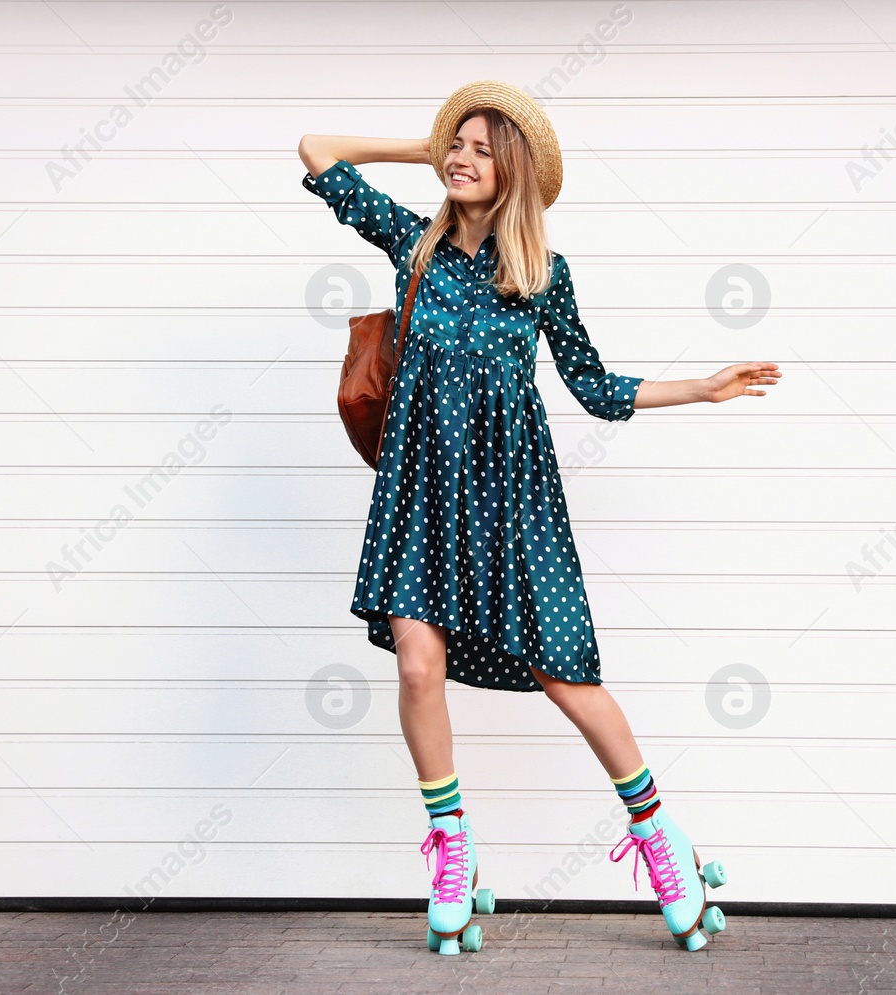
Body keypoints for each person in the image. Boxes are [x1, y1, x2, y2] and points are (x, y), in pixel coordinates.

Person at [297, 79, 780, 954]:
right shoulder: (413, 245)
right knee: (416, 666)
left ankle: (660, 839)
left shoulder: (542, 278)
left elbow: (593, 386)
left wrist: (700, 389)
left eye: (483, 149)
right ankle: (452, 849)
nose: (462, 158)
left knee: (568, 677)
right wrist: (427, 147)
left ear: (513, 171)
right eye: (459, 145)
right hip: (424, 496)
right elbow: (315, 150)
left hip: (516, 509)